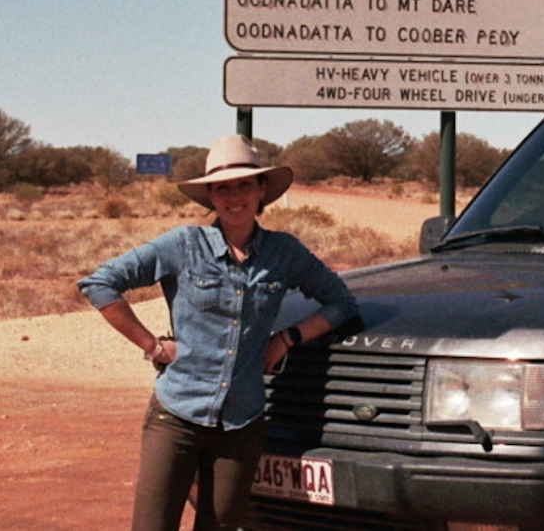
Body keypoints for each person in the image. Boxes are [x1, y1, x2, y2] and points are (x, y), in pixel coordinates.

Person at [77, 135, 359, 531]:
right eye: (223, 188)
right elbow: (100, 283)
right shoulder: (182, 245)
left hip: (242, 425)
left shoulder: (284, 253)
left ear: (262, 190)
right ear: (210, 196)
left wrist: (287, 338)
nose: (234, 196)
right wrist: (152, 345)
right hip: (176, 417)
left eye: (245, 184)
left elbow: (341, 303)